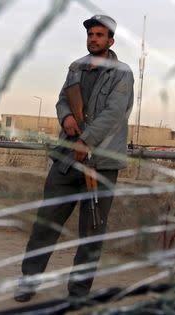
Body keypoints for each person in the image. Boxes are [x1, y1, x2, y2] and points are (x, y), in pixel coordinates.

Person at [14, 14, 134, 302]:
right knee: (45, 224)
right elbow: (62, 99)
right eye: (91, 34)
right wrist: (66, 117)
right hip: (67, 160)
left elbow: (114, 114)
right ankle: (28, 282)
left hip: (101, 164)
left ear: (111, 41)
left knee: (91, 232)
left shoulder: (123, 73)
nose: (94, 39)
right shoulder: (76, 67)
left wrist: (86, 140)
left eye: (100, 35)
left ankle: (78, 292)